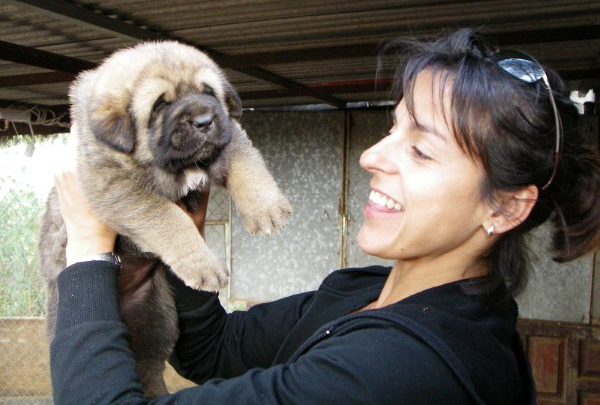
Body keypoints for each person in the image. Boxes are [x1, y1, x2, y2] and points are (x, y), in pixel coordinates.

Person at [49, 28, 600, 404]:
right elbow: (217, 349)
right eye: (394, 128)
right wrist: (176, 238)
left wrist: (88, 253)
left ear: (504, 205)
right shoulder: (367, 290)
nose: (371, 156)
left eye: (421, 150)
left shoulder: (405, 370)